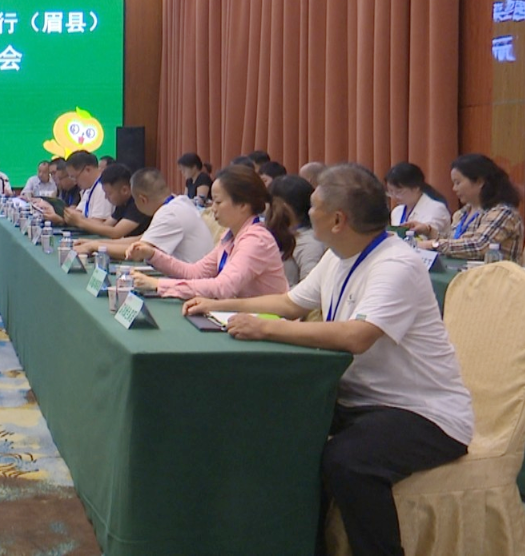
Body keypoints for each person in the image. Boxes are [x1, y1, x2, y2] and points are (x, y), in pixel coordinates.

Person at [184, 164, 472, 556]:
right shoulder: (339, 256)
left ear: (338, 220)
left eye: (314, 205)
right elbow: (290, 302)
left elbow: (357, 336)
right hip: (360, 399)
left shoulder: (396, 265)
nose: (306, 211)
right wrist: (218, 304)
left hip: (423, 412)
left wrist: (264, 328)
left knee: (348, 460)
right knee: (274, 423)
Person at [127, 165, 289, 299]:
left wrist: (158, 284)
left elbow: (223, 287)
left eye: (218, 202)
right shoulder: (230, 236)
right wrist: (152, 254)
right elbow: (195, 272)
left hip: (268, 321)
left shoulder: (256, 240)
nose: (213, 208)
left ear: (243, 205)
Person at [74, 168, 213, 263]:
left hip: (193, 283)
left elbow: (137, 251)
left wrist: (94, 247)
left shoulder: (169, 214)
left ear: (142, 200)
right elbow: (141, 239)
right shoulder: (179, 201)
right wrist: (96, 243)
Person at [416, 153, 525, 262]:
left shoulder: (503, 212)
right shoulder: (462, 213)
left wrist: (435, 244)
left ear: (479, 182)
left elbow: (479, 245)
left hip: (494, 272)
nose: (454, 188)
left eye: (458, 183)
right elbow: (455, 243)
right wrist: (428, 231)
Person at [64, 162, 150, 238]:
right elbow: (105, 226)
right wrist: (81, 219)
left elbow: (116, 232)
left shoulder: (138, 203)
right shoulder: (122, 203)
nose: (105, 197)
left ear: (124, 190)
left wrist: (80, 222)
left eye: (109, 193)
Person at [269, 175, 327, 286]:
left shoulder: (308, 242)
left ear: (283, 207)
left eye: (271, 204)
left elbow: (311, 288)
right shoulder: (277, 234)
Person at [384, 162, 450, 239]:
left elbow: (429, 239)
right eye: (390, 192)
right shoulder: (397, 211)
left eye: (398, 192)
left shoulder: (436, 209)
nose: (394, 197)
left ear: (416, 187)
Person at [57, 151, 112, 229]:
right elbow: (77, 213)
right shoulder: (89, 188)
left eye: (75, 177)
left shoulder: (102, 189)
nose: (74, 182)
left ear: (87, 170)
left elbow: (99, 224)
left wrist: (77, 220)